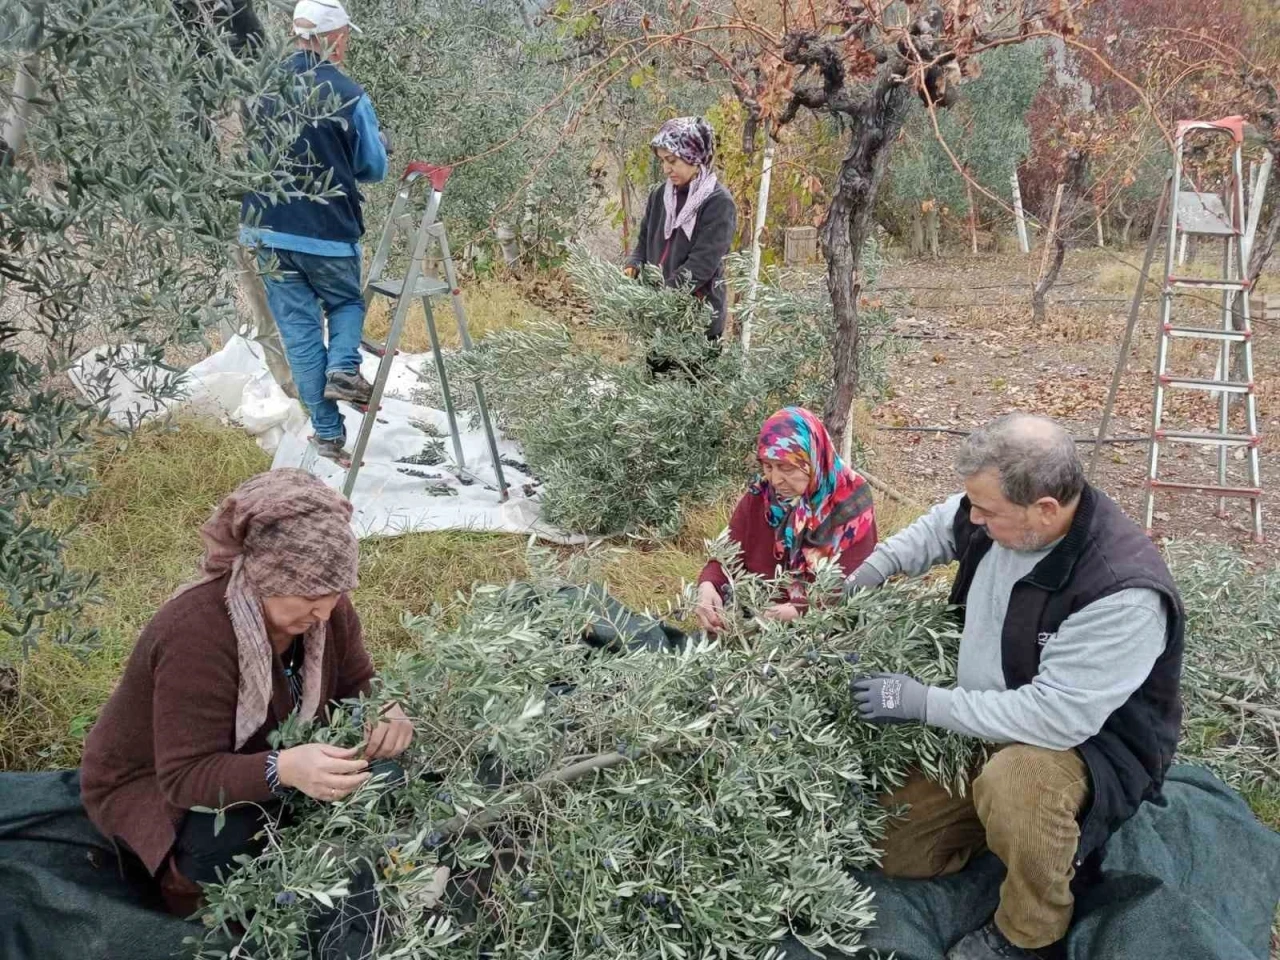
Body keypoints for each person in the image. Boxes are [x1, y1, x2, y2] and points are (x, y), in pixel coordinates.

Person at [844, 413, 1184, 960]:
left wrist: (921, 702)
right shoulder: (1003, 517)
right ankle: (1001, 830)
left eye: (987, 511)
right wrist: (865, 575)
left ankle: (1029, 930)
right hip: (987, 716)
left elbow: (1055, 718)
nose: (973, 519)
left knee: (1015, 783)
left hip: (1084, 748)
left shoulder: (1120, 591)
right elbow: (940, 526)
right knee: (894, 846)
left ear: (1045, 509)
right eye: (972, 504)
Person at [81, 469, 414, 918]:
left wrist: (385, 707)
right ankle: (187, 897)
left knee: (388, 777)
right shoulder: (196, 634)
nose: (324, 610)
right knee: (233, 832)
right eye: (307, 594)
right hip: (158, 788)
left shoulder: (328, 610)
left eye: (336, 592)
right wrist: (284, 769)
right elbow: (183, 778)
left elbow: (357, 681)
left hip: (268, 753)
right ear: (263, 577)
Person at [239, 0, 388, 462]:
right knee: (345, 301)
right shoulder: (349, 93)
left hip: (265, 231)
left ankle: (326, 434)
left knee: (299, 332)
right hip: (325, 231)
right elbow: (373, 168)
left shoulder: (262, 86)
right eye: (343, 35)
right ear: (330, 37)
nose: (344, 43)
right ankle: (344, 367)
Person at [695, 406, 877, 630]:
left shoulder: (851, 506)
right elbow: (726, 555)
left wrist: (801, 611)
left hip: (823, 634)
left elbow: (855, 587)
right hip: (756, 623)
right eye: (768, 466)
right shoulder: (759, 497)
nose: (775, 480)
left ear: (813, 461)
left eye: (786, 468)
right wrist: (708, 585)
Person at [625, 116, 737, 342]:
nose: (666, 168)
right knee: (654, 378)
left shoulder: (718, 203)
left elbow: (701, 265)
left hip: (696, 322)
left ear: (693, 156)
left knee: (692, 378)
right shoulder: (660, 196)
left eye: (673, 160)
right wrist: (633, 265)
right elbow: (644, 241)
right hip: (659, 317)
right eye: (662, 161)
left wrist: (662, 299)